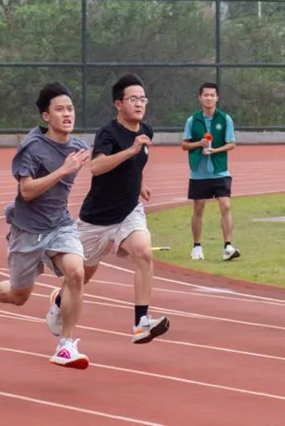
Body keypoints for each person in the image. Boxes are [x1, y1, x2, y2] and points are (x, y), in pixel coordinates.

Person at [0, 83, 91, 369]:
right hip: (27, 229)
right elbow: (26, 191)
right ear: (46, 116)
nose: (67, 114)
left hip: (59, 224)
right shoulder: (32, 147)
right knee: (18, 296)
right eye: (59, 110)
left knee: (76, 272)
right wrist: (63, 170)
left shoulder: (79, 147)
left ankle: (66, 345)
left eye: (70, 109)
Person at [68, 74, 169, 344]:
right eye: (133, 99)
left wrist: (140, 184)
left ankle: (141, 323)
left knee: (143, 252)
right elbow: (96, 167)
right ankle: (58, 303)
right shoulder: (108, 133)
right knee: (80, 277)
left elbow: (137, 165)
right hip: (96, 220)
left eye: (143, 99)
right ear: (118, 104)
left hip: (128, 212)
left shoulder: (146, 130)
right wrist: (131, 150)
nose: (140, 104)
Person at [181, 82, 238, 261]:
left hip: (220, 170)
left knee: (225, 205)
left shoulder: (225, 119)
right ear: (200, 97)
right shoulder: (192, 120)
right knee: (198, 208)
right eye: (206, 95)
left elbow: (231, 144)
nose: (209, 98)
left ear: (217, 98)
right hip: (199, 172)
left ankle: (228, 246)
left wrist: (215, 150)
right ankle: (197, 246)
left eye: (212, 95)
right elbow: (184, 145)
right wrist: (199, 144)